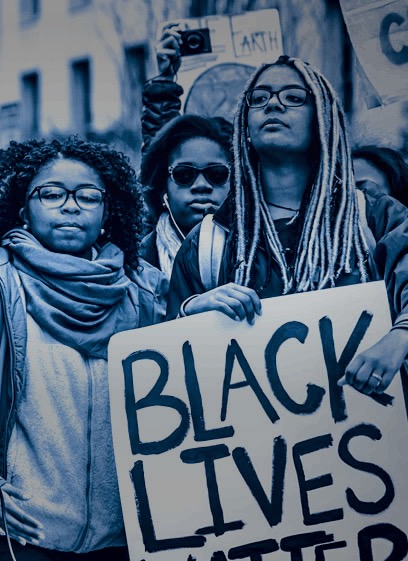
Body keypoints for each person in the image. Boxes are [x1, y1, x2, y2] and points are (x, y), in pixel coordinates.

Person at [0, 138, 165, 561]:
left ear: (107, 211)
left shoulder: (145, 296)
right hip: (10, 534)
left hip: (118, 540)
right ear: (22, 208)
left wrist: (199, 311)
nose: (71, 206)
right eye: (51, 194)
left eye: (88, 196)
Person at [169, 56, 408, 398]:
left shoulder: (373, 216)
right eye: (260, 97)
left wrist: (401, 335)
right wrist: (190, 312)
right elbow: (165, 370)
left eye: (294, 97)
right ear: (245, 124)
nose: (274, 104)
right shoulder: (208, 242)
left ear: (322, 120)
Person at [137, 115, 233, 276]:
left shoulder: (262, 255)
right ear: (162, 188)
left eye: (216, 174)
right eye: (184, 174)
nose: (201, 185)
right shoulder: (134, 264)